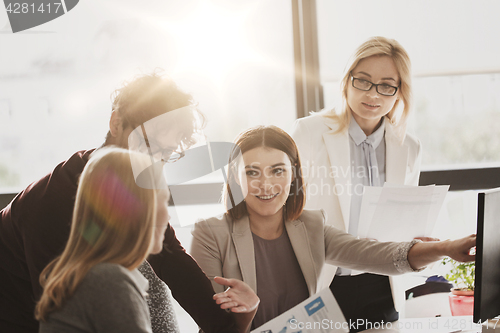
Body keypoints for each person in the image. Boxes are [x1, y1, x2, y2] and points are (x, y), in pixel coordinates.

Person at [0, 73, 256, 333]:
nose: (154, 162)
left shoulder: (135, 187)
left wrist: (226, 327)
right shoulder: (55, 203)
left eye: (165, 154)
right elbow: (55, 312)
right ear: (116, 123)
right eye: (147, 144)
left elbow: (171, 258)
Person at [189, 125, 475, 331]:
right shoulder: (210, 234)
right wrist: (246, 313)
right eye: (252, 172)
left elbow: (378, 254)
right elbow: (215, 326)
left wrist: (447, 248)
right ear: (236, 178)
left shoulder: (311, 225)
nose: (266, 184)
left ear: (294, 175)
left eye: (278, 170)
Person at [35, 148, 258, 333]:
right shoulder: (109, 280)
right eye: (160, 202)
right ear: (130, 210)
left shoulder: (89, 275)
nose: (167, 215)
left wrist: (243, 317)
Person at [291, 36, 421, 328]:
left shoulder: (409, 147)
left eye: (387, 86)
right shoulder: (309, 132)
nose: (373, 94)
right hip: (325, 284)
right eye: (363, 81)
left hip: (383, 287)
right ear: (346, 81)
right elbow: (287, 210)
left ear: (399, 93)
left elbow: (404, 216)